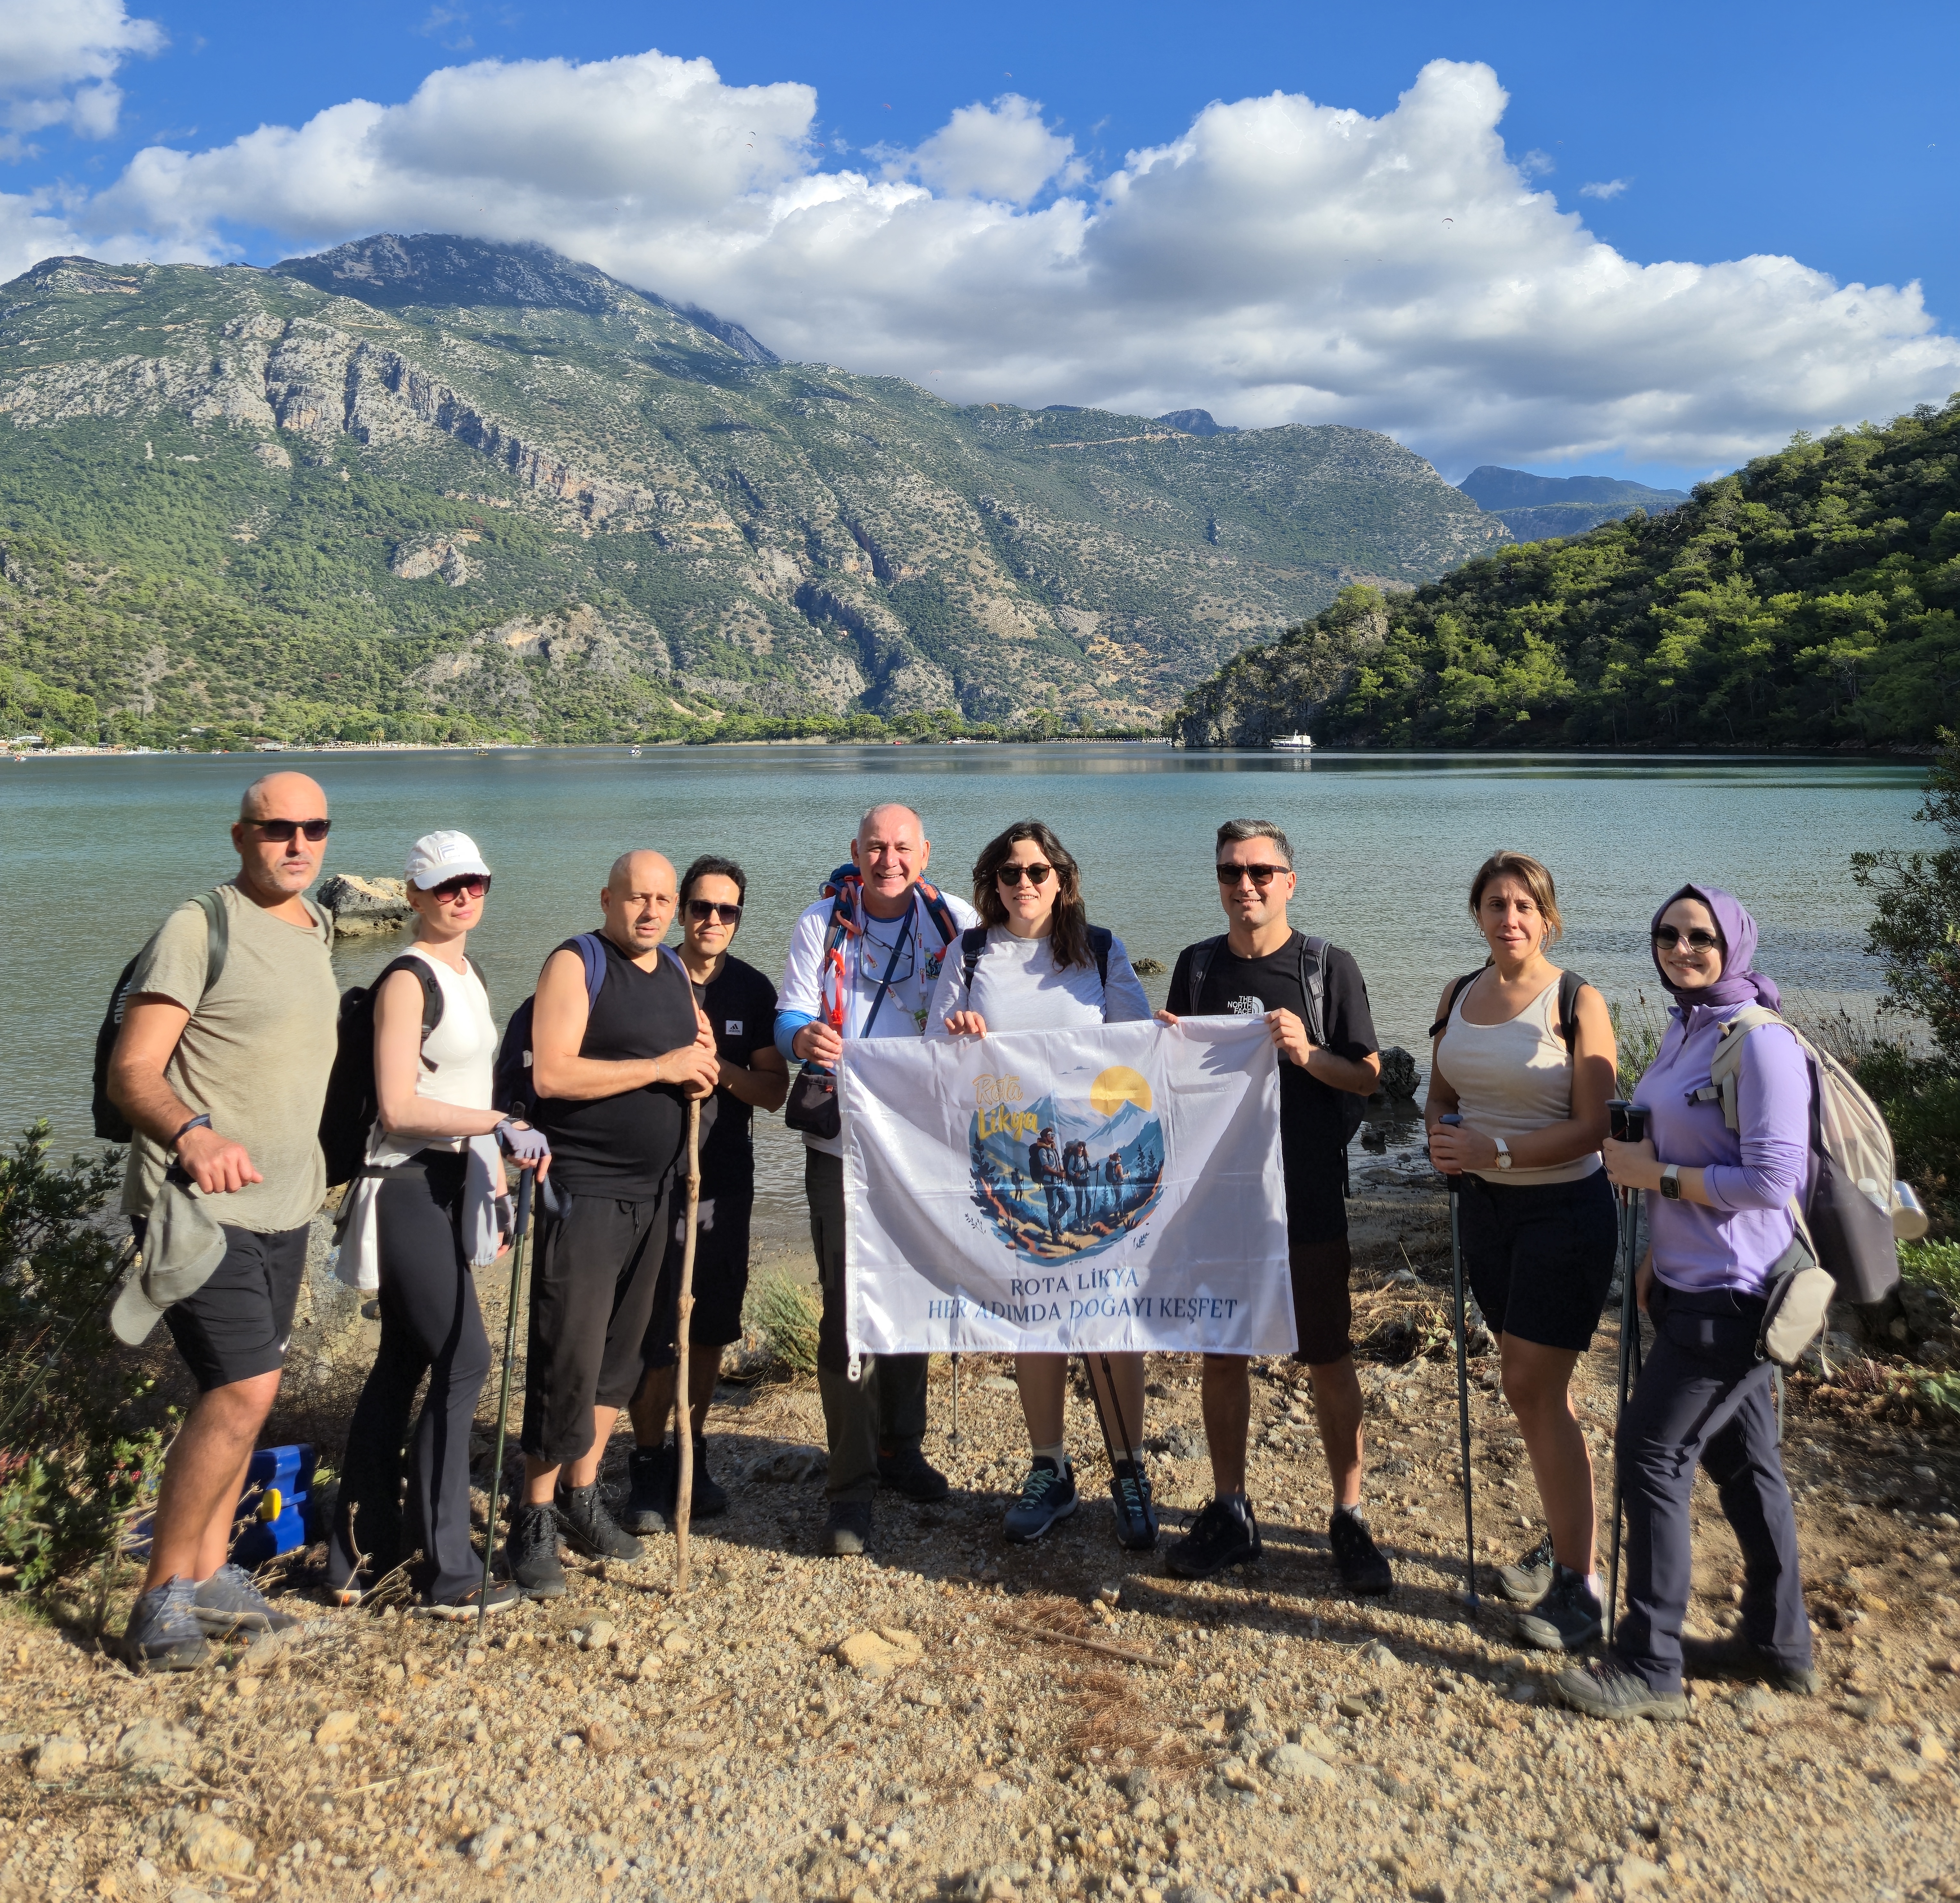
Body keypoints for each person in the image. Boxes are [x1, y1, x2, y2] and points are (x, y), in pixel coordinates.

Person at [1557, 884, 1818, 1721]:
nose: (1678, 947)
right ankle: (1777, 1645)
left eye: (1698, 935)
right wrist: (1652, 1262)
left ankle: (1648, 1662)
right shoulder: (1685, 1024)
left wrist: (1654, 1176)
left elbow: (1772, 1182)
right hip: (1684, 1282)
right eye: (1664, 933)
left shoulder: (1761, 1043)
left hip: (1734, 1296)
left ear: (1732, 942)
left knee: (1650, 1453)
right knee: (1743, 1464)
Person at [109, 773, 342, 1668]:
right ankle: (161, 1593)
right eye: (277, 827)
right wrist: (193, 1134)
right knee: (241, 1389)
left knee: (249, 1393)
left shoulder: (316, 928)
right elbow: (134, 1071)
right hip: (202, 1209)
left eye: (313, 827)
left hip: (285, 1207)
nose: (297, 843)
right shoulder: (196, 926)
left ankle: (209, 1575)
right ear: (240, 834)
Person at [1158, 818, 1388, 1589]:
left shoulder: (1327, 967)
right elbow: (1172, 1087)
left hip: (1307, 1191)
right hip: (1219, 1198)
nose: (1244, 884)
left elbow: (1367, 1077)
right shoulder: (1193, 969)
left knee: (1327, 1353)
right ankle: (1229, 1508)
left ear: (1289, 881)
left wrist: (1307, 1053)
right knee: (1221, 1353)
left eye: (1260, 871)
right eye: (1230, 871)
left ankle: (1348, 1516)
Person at [326, 832, 549, 1617]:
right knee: (463, 1356)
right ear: (415, 894)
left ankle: (356, 1549)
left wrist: (495, 1170)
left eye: (475, 882)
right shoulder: (406, 978)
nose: (462, 896)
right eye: (446, 885)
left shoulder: (466, 972)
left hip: (452, 1183)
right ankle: (446, 1567)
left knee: (402, 1361)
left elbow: (456, 1084)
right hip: (405, 1184)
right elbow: (398, 1106)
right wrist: (499, 1122)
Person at [926, 818, 1158, 1549]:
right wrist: (958, 1037)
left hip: (1091, 1165)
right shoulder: (967, 955)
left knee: (1109, 1318)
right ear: (988, 885)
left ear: (1061, 878)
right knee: (1037, 1316)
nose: (1021, 884)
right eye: (1007, 872)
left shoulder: (1096, 949)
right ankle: (1049, 1468)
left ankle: (1127, 1468)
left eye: (1035, 871)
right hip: (1008, 1164)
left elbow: (1139, 1050)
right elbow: (931, 1059)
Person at [507, 851, 721, 1598]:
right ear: (607, 898)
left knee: (619, 1360)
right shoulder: (577, 961)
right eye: (638, 897)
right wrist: (662, 1067)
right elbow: (553, 1074)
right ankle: (531, 1517)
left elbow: (694, 1056)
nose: (653, 910)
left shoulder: (671, 972)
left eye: (664, 899)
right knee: (565, 1353)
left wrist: (697, 1064)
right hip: (586, 1191)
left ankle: (581, 1495)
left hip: (656, 1193)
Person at [1425, 852, 1619, 1650]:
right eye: (1495, 903)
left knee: (1526, 1381)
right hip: (1485, 1214)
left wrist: (1493, 1152)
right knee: (1541, 1391)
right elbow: (1440, 1089)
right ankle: (1562, 1541)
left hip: (1562, 1214)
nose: (1509, 917)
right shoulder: (1454, 993)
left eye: (1523, 905)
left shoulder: (1576, 1000)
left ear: (1546, 917)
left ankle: (1582, 1587)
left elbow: (1592, 1127)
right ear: (1475, 912)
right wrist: (1440, 1138)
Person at [776, 803, 980, 1556]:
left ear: (924, 851)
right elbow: (789, 1013)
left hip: (922, 1144)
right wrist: (800, 1035)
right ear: (853, 852)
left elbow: (985, 1009)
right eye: (874, 847)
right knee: (846, 1307)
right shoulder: (820, 922)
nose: (887, 858)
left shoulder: (952, 919)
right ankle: (850, 1484)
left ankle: (901, 1445)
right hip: (843, 1146)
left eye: (900, 847)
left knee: (913, 1293)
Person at [623, 856, 788, 1533]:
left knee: (711, 1325)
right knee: (654, 1330)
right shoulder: (643, 977)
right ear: (680, 909)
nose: (712, 921)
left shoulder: (752, 990)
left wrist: (717, 1067)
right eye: (701, 907)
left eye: (727, 911)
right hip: (649, 1179)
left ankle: (693, 1450)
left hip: (723, 1179)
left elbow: (774, 1091)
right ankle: (646, 1458)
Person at [1029, 1126, 1068, 1242]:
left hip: (1060, 1182)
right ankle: (1055, 1233)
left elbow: (1059, 1163)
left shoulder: (1054, 1149)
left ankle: (1057, 1220)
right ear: (1045, 1137)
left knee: (1068, 1202)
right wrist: (1058, 1174)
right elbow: (1046, 1167)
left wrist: (1062, 1171)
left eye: (1053, 1135)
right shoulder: (1043, 1151)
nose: (1053, 1137)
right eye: (1051, 1135)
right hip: (1050, 1183)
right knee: (1052, 1208)